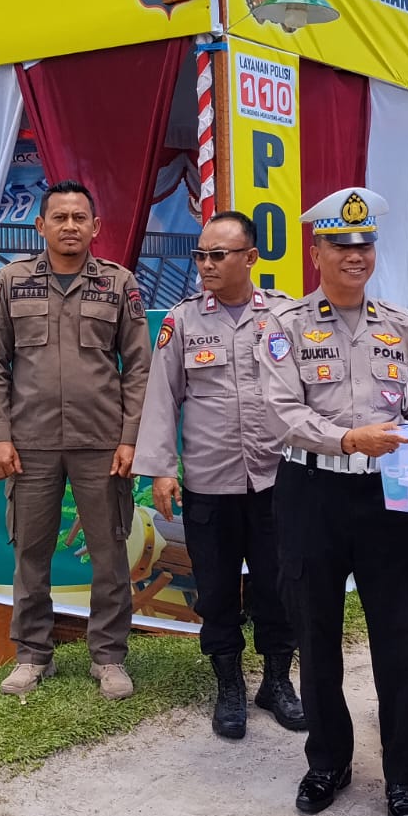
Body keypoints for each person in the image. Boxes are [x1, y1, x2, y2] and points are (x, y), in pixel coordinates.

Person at [259, 186, 408, 816]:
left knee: (399, 639)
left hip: (385, 500)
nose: (355, 255)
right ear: (316, 252)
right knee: (316, 637)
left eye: (365, 244)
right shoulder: (284, 327)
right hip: (311, 492)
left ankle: (404, 780)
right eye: (341, 244)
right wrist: (346, 439)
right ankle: (328, 762)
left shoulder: (401, 327)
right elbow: (283, 413)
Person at [0, 180, 152, 700]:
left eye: (79, 218)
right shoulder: (12, 282)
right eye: (60, 217)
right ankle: (33, 656)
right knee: (31, 552)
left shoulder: (118, 284)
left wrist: (131, 439)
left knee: (109, 552)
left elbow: (139, 366)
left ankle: (109, 658)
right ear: (41, 226)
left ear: (95, 227)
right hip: (30, 443)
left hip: (102, 442)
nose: (70, 226)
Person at [133, 210, 305, 740]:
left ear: (250, 258)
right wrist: (162, 469)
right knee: (215, 591)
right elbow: (162, 398)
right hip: (209, 483)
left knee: (279, 586)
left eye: (218, 255)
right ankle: (228, 686)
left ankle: (276, 682)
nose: (205, 264)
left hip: (276, 479)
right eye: (200, 255)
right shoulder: (182, 321)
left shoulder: (284, 315)